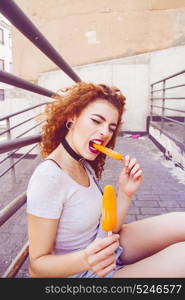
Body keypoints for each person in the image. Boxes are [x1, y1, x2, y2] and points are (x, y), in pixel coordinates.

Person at [27, 82, 185, 278]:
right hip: (84, 274)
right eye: (96, 121)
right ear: (71, 117)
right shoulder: (48, 178)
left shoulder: (83, 164)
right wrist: (86, 259)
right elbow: (37, 267)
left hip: (106, 246)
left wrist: (126, 193)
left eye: (111, 127)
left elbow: (109, 228)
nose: (105, 134)